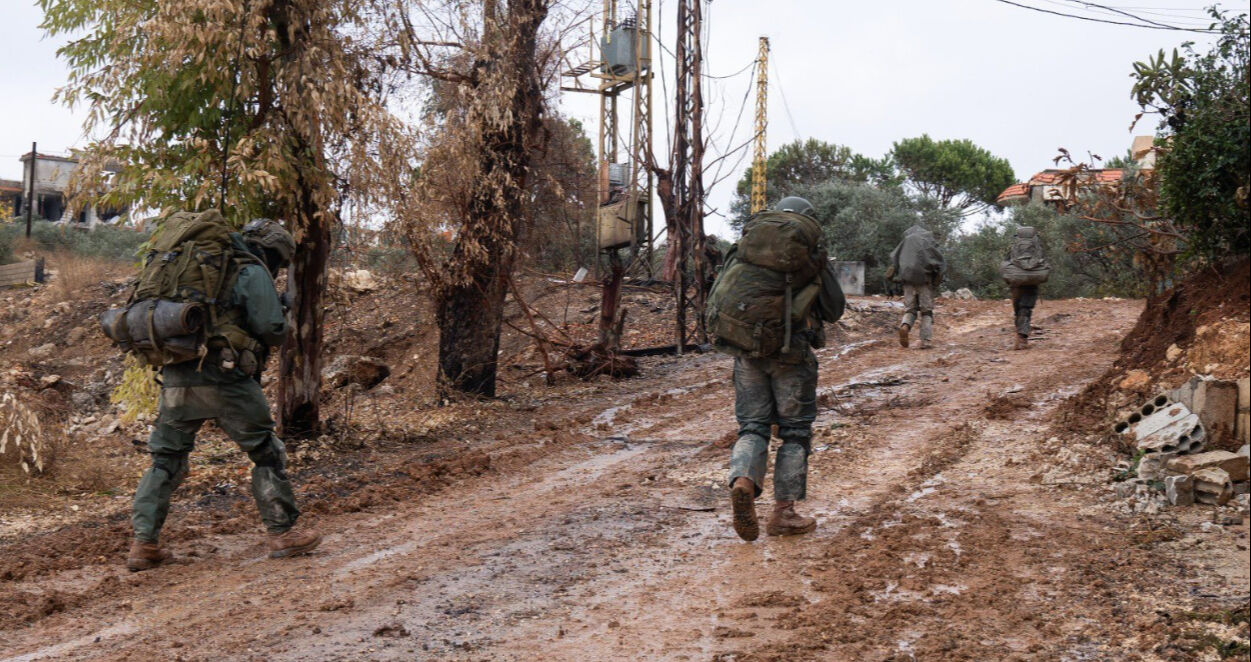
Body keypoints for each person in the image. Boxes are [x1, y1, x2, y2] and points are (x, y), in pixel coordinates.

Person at [127, 218, 321, 571]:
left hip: (175, 377)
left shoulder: (192, 266)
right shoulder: (250, 269)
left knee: (165, 460)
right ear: (270, 251)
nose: (276, 267)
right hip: (226, 379)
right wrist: (283, 308)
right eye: (278, 259)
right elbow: (272, 330)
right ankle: (282, 534)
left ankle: (144, 544)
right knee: (266, 452)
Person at [714, 196, 845, 541]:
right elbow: (834, 310)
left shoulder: (744, 247)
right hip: (791, 354)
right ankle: (783, 514)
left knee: (752, 427)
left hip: (746, 351)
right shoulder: (811, 256)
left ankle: (744, 480)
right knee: (794, 432)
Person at [887, 224, 945, 349]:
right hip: (925, 282)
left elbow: (894, 262)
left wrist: (894, 278)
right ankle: (925, 341)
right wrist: (936, 282)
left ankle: (905, 326)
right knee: (926, 312)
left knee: (910, 310)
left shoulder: (905, 242)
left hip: (907, 282)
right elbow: (940, 264)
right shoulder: (927, 242)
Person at [1001, 226, 1050, 350]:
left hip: (1016, 282)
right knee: (1026, 308)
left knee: (1018, 309)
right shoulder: (1037, 244)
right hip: (1032, 281)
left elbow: (1007, 261)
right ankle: (1022, 338)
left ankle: (1020, 335)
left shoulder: (1013, 245)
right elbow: (1042, 260)